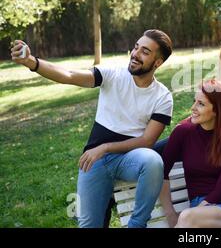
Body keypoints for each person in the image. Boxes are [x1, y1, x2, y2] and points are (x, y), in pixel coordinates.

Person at [10, 29, 174, 228]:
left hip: (129, 159)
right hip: (95, 162)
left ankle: (137, 224)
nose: (135, 54)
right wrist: (32, 62)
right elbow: (69, 75)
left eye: (145, 52)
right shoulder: (113, 75)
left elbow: (147, 141)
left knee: (153, 160)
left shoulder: (162, 97)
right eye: (136, 47)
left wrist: (105, 147)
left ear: (157, 62)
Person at [159, 79, 221, 227]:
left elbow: (220, 191)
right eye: (195, 101)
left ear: (217, 110)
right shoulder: (183, 132)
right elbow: (161, 172)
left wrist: (189, 217)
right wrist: (171, 214)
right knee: (189, 218)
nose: (193, 107)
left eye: (201, 104)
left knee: (188, 218)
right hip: (198, 209)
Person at [153, 34, 221, 155]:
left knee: (157, 152)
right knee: (158, 149)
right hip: (203, 134)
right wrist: (186, 123)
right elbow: (205, 109)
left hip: (220, 143)